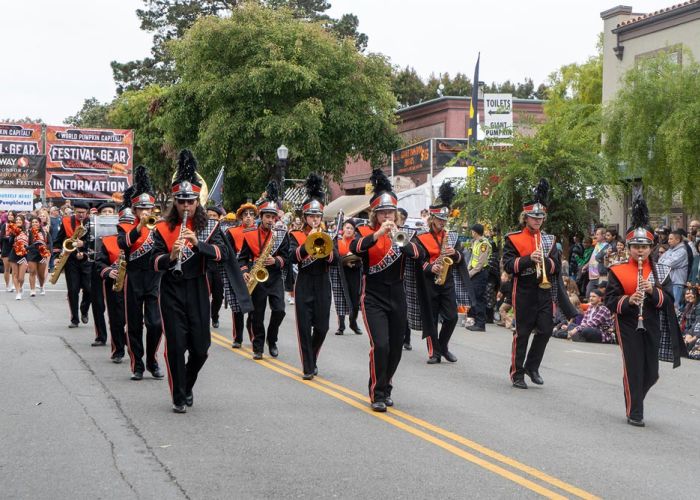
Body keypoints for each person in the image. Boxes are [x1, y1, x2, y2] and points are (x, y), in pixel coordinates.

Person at [151, 149, 241, 413]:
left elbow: (224, 255)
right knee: (176, 346)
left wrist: (198, 244)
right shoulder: (161, 229)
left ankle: (187, 384)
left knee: (201, 349)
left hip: (199, 288)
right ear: (175, 202)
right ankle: (178, 395)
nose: (186, 206)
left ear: (197, 202)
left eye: (191, 201)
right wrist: (172, 255)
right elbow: (153, 263)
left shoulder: (209, 228)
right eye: (181, 201)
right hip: (171, 290)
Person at [605, 194, 686, 427]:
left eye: (644, 246)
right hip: (627, 322)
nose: (640, 251)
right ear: (629, 248)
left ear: (651, 248)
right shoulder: (617, 270)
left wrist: (652, 291)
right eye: (636, 247)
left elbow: (669, 300)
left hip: (651, 321)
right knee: (633, 367)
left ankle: (635, 396)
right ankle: (635, 412)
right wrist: (629, 300)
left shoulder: (661, 271)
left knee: (651, 372)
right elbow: (611, 301)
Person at [351, 169, 422, 411]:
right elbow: (355, 247)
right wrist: (378, 235)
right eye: (382, 213)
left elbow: (418, 256)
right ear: (375, 214)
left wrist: (398, 241)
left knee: (395, 348)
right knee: (380, 345)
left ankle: (386, 385)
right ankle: (377, 393)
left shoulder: (405, 235)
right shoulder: (364, 232)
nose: (386, 216)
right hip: (373, 296)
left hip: (397, 295)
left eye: (390, 212)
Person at [503, 179, 561, 389]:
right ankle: (517, 372)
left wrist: (544, 261)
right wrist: (529, 259)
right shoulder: (513, 238)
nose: (538, 220)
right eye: (534, 217)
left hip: (543, 289)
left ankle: (532, 366)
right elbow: (509, 265)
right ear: (525, 217)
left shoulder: (549, 240)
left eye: (541, 217)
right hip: (524, 289)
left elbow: (556, 266)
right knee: (523, 332)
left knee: (546, 330)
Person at [413, 182, 469, 364]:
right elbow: (416, 260)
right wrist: (430, 267)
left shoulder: (451, 236)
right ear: (432, 218)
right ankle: (434, 352)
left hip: (447, 281)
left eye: (445, 220)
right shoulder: (420, 237)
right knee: (430, 319)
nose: (443, 223)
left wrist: (456, 254)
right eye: (440, 219)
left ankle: (443, 346)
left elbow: (461, 258)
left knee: (452, 317)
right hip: (429, 282)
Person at [117, 166, 164, 381]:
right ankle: (137, 364)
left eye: (149, 209)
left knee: (155, 323)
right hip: (134, 278)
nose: (146, 212)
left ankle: (153, 360)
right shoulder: (127, 228)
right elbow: (124, 244)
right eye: (142, 209)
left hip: (154, 279)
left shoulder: (160, 227)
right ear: (135, 211)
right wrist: (139, 227)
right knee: (134, 324)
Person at [289, 173, 336, 379]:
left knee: (323, 327)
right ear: (305, 217)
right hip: (305, 282)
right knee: (304, 326)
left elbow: (335, 261)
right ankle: (308, 367)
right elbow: (293, 257)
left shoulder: (329, 235)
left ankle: (312, 357)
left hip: (323, 282)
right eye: (312, 216)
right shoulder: (296, 235)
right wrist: (307, 242)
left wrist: (326, 246)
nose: (316, 220)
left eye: (318, 216)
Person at [238, 181, 290, 360]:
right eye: (267, 216)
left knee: (280, 310)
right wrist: (245, 270)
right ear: (261, 216)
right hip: (257, 276)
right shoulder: (250, 234)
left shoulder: (281, 234)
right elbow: (242, 258)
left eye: (272, 217)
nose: (270, 220)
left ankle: (272, 339)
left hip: (274, 277)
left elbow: (287, 257)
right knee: (257, 315)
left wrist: (275, 260)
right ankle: (258, 347)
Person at [95, 207, 132, 363]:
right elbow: (99, 262)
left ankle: (134, 348)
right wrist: (108, 271)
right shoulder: (108, 240)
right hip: (115, 283)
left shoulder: (145, 240)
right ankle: (118, 349)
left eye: (131, 223)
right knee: (117, 319)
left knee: (135, 320)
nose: (127, 227)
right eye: (124, 224)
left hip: (136, 284)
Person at [225, 201, 258, 348]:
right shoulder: (232, 232)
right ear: (240, 217)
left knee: (254, 306)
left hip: (254, 271)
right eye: (245, 215)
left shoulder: (259, 232)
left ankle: (253, 335)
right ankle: (237, 337)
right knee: (237, 307)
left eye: (251, 214)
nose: (249, 217)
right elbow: (228, 253)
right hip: (237, 271)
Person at [53, 201, 92, 327]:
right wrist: (55, 257)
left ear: (87, 213)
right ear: (74, 211)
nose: (81, 215)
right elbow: (58, 241)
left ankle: (84, 310)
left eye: (83, 213)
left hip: (87, 260)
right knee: (73, 290)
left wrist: (84, 245)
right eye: (78, 212)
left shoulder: (92, 223)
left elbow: (96, 242)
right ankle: (74, 319)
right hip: (71, 260)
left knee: (89, 289)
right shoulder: (66, 222)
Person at [89, 203, 117, 347]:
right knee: (98, 304)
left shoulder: (119, 227)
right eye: (104, 212)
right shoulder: (92, 226)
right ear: (99, 215)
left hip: (116, 268)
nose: (107, 214)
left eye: (110, 211)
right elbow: (89, 245)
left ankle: (118, 338)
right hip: (97, 267)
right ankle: (101, 336)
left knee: (116, 307)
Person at [332, 218, 363, 336]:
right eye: (347, 227)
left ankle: (353, 323)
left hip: (354, 272)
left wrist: (354, 262)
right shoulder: (337, 240)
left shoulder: (357, 241)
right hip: (340, 272)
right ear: (343, 228)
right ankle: (341, 326)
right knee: (340, 298)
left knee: (355, 300)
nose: (349, 230)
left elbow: (362, 256)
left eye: (351, 228)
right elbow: (334, 255)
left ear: (354, 231)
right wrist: (344, 261)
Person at [467, 223, 490, 332]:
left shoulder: (483, 244)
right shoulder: (475, 242)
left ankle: (480, 324)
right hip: (474, 272)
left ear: (475, 232)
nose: (471, 233)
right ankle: (476, 321)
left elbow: (480, 263)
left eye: (472, 231)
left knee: (479, 298)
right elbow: (472, 258)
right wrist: (468, 269)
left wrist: (470, 274)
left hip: (480, 273)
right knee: (474, 297)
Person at [206, 205, 226, 328]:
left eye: (214, 216)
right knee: (204, 294)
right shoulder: (200, 230)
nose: (212, 218)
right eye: (209, 216)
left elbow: (225, 251)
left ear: (219, 218)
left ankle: (215, 315)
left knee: (218, 296)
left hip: (218, 267)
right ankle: (203, 318)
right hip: (205, 266)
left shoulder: (222, 232)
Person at [658, 229, 689, 309]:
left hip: (677, 283)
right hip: (669, 283)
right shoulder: (670, 250)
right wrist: (665, 260)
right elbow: (659, 261)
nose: (668, 241)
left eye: (671, 239)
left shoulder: (682, 251)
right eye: (668, 239)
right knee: (668, 307)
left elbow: (667, 264)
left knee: (675, 307)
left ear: (678, 240)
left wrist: (665, 260)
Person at [26, 216, 51, 296]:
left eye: (36, 222)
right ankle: (32, 290)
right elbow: (26, 245)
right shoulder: (28, 232)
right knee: (32, 272)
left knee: (41, 274)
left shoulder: (45, 232)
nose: (34, 224)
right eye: (33, 222)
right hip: (32, 254)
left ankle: (41, 286)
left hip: (42, 255)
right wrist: (33, 245)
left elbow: (50, 243)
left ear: (39, 223)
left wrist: (46, 249)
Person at [8, 214, 29, 300]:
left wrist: (26, 248)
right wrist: (13, 235)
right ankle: (18, 292)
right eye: (16, 220)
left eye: (20, 219)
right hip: (14, 254)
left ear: (23, 221)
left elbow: (31, 243)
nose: (18, 221)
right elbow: (10, 242)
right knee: (15, 274)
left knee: (21, 277)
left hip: (24, 255)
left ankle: (20, 286)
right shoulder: (13, 230)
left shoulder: (28, 231)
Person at [678, 285, 698, 351]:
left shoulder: (697, 307)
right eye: (688, 293)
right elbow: (683, 323)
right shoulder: (688, 305)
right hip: (687, 331)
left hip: (694, 332)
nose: (690, 295)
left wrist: (687, 334)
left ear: (697, 295)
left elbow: (695, 324)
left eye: (692, 293)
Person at [1, 210, 16, 292]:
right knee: (6, 269)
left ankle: (14, 284)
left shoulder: (17, 225)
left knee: (14, 269)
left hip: (15, 249)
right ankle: (7, 285)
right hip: (6, 249)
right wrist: (9, 237)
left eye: (12, 215)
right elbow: (1, 238)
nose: (10, 216)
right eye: (9, 215)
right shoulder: (4, 225)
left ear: (14, 216)